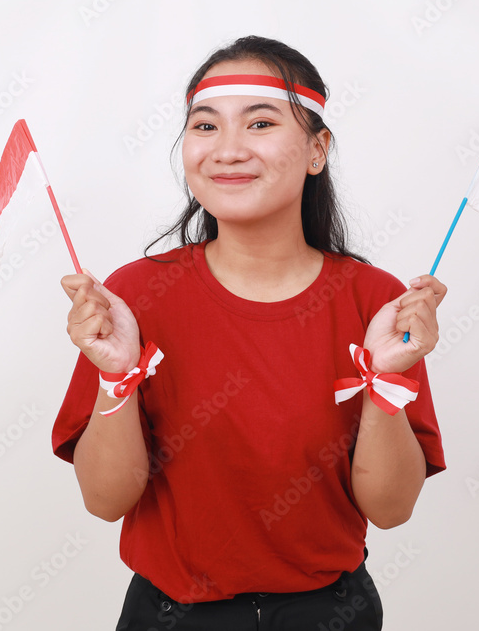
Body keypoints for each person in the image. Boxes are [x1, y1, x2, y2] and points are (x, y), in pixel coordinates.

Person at [52, 35, 447, 630]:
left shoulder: (377, 302)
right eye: (205, 127)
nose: (227, 150)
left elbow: (390, 510)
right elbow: (106, 501)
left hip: (330, 614)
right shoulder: (135, 295)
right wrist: (117, 377)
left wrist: (384, 383)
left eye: (260, 123)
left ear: (317, 150)